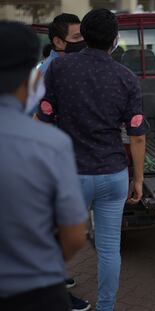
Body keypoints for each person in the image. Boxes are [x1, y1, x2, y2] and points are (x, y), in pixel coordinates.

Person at [37, 9, 147, 311]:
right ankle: (106, 307)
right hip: (113, 174)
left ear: (83, 35)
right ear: (114, 40)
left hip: (71, 173)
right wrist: (137, 178)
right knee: (110, 248)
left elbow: (43, 117)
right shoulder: (125, 77)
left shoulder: (60, 69)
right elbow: (137, 134)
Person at [0, 21, 87, 311]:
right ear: (31, 78)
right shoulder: (50, 144)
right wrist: (36, 265)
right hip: (35, 293)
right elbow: (74, 235)